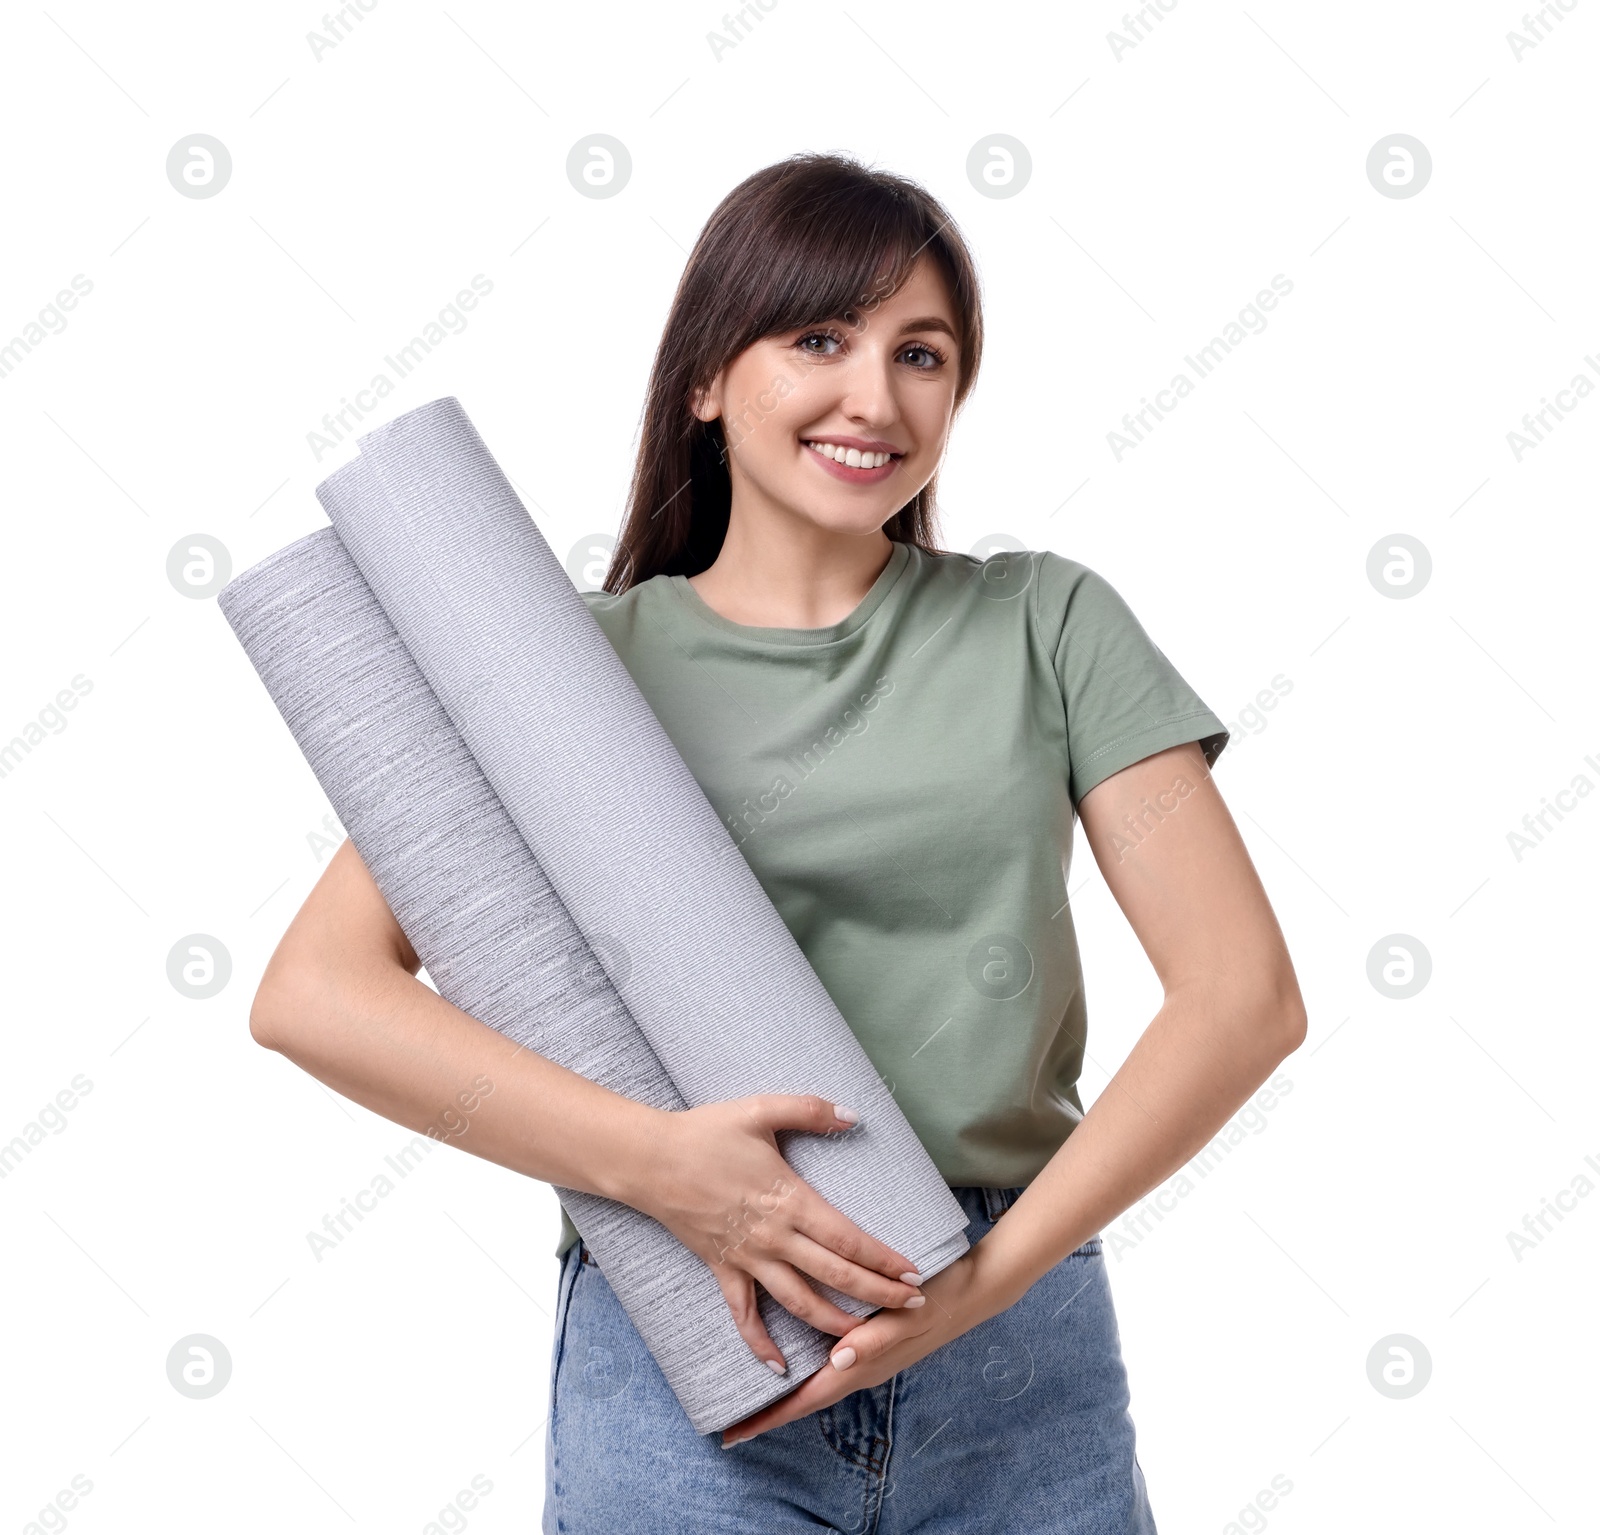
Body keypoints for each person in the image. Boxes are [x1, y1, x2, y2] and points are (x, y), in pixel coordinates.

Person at [249, 152, 1307, 1533]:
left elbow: (1244, 1002)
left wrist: (976, 1294)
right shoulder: (559, 672)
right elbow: (315, 995)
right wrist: (657, 1165)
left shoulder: (1047, 626)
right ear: (706, 378)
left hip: (1015, 1335)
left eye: (921, 353)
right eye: (819, 338)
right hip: (695, 1324)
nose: (875, 396)